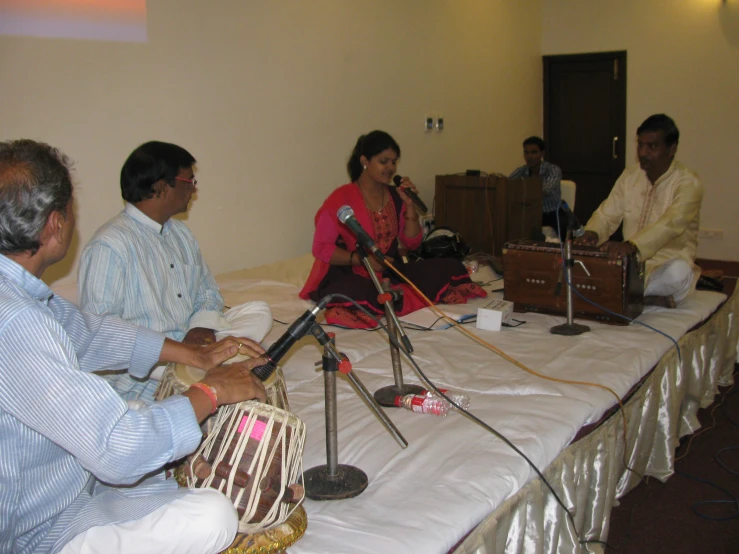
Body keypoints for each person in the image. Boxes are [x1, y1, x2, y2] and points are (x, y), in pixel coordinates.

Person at [0, 139, 268, 554]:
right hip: (36, 527)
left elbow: (90, 331)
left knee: (160, 444)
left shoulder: (24, 297)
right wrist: (211, 391)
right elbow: (116, 447)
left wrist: (192, 354)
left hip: (71, 474)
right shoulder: (18, 321)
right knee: (213, 517)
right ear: (55, 223)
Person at [78, 141, 273, 403]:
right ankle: (194, 368)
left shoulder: (180, 234)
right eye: (189, 180)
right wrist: (178, 352)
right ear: (161, 186)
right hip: (146, 374)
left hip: (190, 343)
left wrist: (201, 326)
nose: (194, 189)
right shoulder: (110, 245)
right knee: (234, 347)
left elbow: (208, 293)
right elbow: (101, 335)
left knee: (259, 311)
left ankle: (203, 364)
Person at [300, 130, 486, 328]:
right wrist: (364, 260)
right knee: (356, 291)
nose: (391, 168)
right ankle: (373, 301)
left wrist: (410, 205)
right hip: (353, 273)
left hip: (391, 271)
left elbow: (412, 243)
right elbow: (320, 247)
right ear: (365, 161)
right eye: (384, 161)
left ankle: (389, 297)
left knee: (449, 266)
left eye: (394, 162)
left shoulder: (396, 196)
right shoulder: (340, 198)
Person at [575, 114, 703, 307]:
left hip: (665, 264)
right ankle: (637, 296)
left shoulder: (688, 182)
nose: (643, 152)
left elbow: (670, 224)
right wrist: (593, 233)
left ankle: (624, 293)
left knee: (678, 274)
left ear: (672, 149)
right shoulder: (630, 176)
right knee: (581, 263)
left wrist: (633, 246)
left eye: (652, 146)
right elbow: (606, 214)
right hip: (626, 264)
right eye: (640, 145)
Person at [509, 136, 567, 240]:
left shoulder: (553, 170)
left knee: (564, 225)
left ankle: (566, 253)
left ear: (542, 154)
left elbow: (544, 190)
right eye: (526, 153)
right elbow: (508, 185)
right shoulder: (521, 171)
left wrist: (522, 192)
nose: (529, 156)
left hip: (552, 212)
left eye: (534, 152)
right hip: (530, 212)